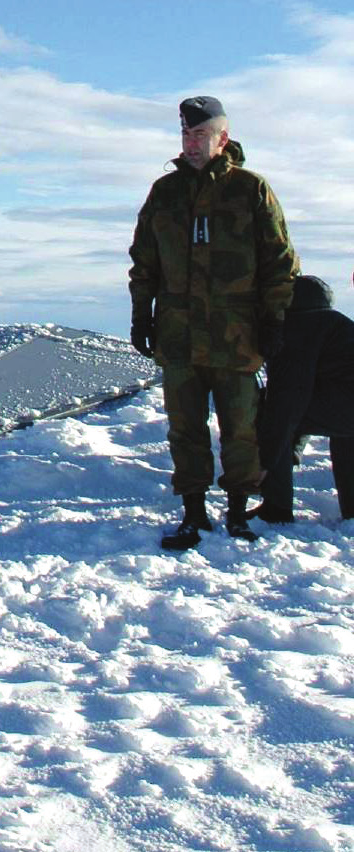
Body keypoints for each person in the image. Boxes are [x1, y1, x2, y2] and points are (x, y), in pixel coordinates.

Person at [128, 94, 299, 549]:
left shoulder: (249, 190)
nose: (191, 142)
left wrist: (274, 320)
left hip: (236, 337)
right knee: (184, 427)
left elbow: (279, 262)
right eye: (185, 133)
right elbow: (144, 261)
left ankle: (239, 512)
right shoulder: (165, 193)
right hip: (178, 336)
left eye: (200, 134)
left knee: (240, 427)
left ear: (222, 138)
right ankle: (194, 513)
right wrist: (141, 315)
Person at [256, 275, 354, 523]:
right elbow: (310, 392)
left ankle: (276, 509)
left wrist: (266, 461)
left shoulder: (296, 329)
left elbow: (287, 400)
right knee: (345, 431)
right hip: (346, 406)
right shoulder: (336, 325)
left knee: (272, 415)